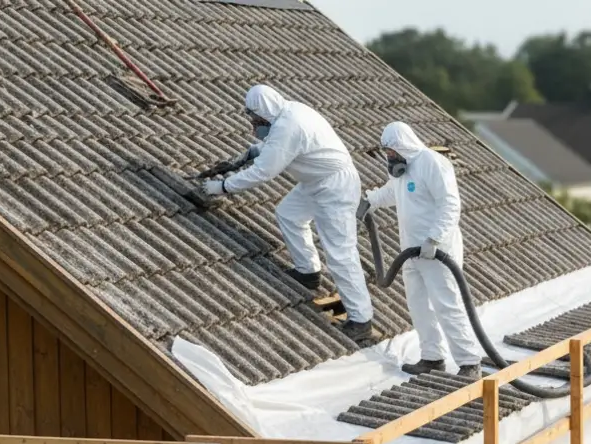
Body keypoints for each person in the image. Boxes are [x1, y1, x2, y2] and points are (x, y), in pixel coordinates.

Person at [203, 85, 374, 343]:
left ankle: (361, 320)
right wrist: (253, 151)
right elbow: (280, 145)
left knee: (340, 253)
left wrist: (223, 187)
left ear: (266, 113)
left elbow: (263, 171)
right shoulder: (288, 112)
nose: (255, 125)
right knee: (288, 214)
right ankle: (308, 272)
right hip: (317, 181)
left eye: (257, 120)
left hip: (335, 187)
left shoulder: (288, 126)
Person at [363, 122, 484, 378]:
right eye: (387, 152)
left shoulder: (433, 163)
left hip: (437, 251)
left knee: (447, 305)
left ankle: (469, 362)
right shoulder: (401, 169)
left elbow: (450, 204)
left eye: (391, 151)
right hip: (410, 250)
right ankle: (432, 358)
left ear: (403, 146)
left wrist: (435, 238)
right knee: (419, 306)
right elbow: (392, 192)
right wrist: (369, 201)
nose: (389, 156)